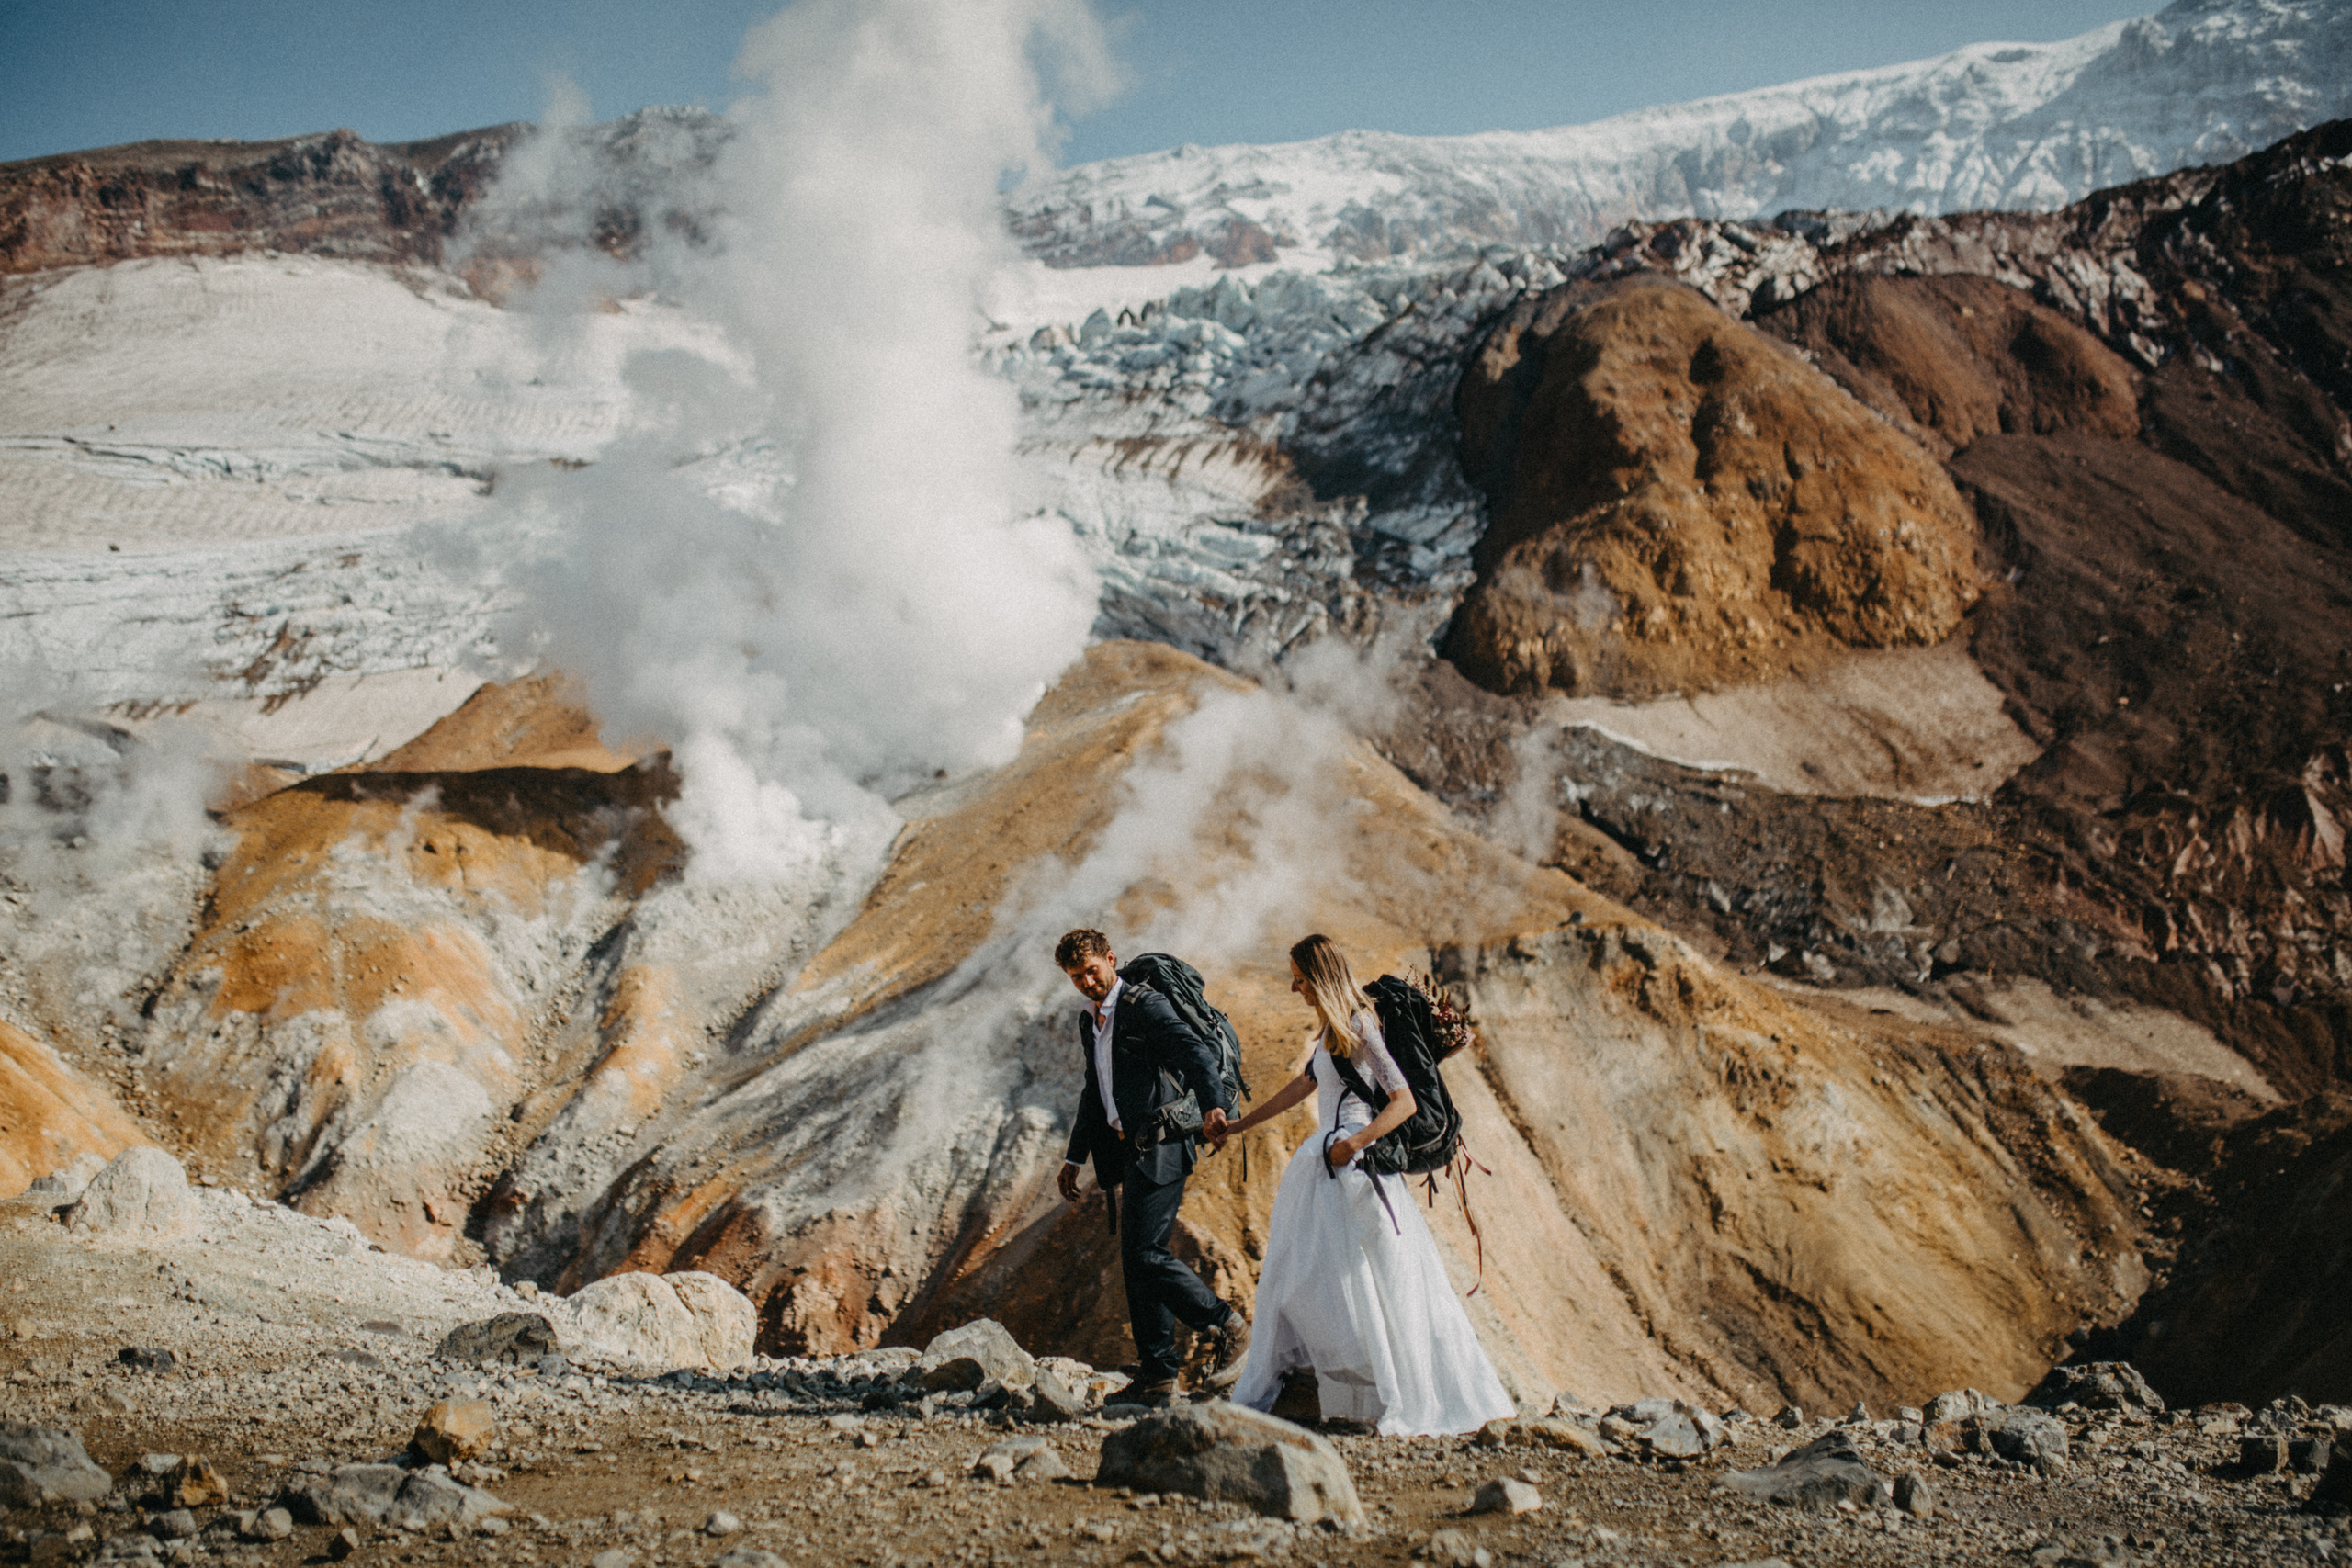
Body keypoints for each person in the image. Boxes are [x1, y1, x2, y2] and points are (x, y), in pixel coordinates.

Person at [1204, 933, 1514, 1436]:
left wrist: (1356, 1143)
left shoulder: (1360, 1023)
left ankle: (1391, 1395)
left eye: (1300, 978)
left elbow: (1404, 1101)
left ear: (1320, 977)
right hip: (1327, 1162)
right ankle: (1325, 1388)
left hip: (1353, 1168)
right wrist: (1237, 1127)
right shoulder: (1332, 1030)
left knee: (1366, 1283)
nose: (1293, 987)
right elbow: (1303, 1087)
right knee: (1311, 1277)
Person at [1056, 928, 1250, 1403]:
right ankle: (1158, 1376)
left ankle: (1228, 1325)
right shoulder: (1091, 1021)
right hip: (1130, 1150)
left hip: (1163, 1144)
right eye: (1077, 977)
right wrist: (1073, 1158)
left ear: (1111, 960)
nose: (1087, 982)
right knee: (1135, 1261)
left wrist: (1213, 1107)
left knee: (1145, 1254)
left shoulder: (1144, 1006)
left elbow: (1195, 1053)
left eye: (1093, 971)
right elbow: (1093, 1093)